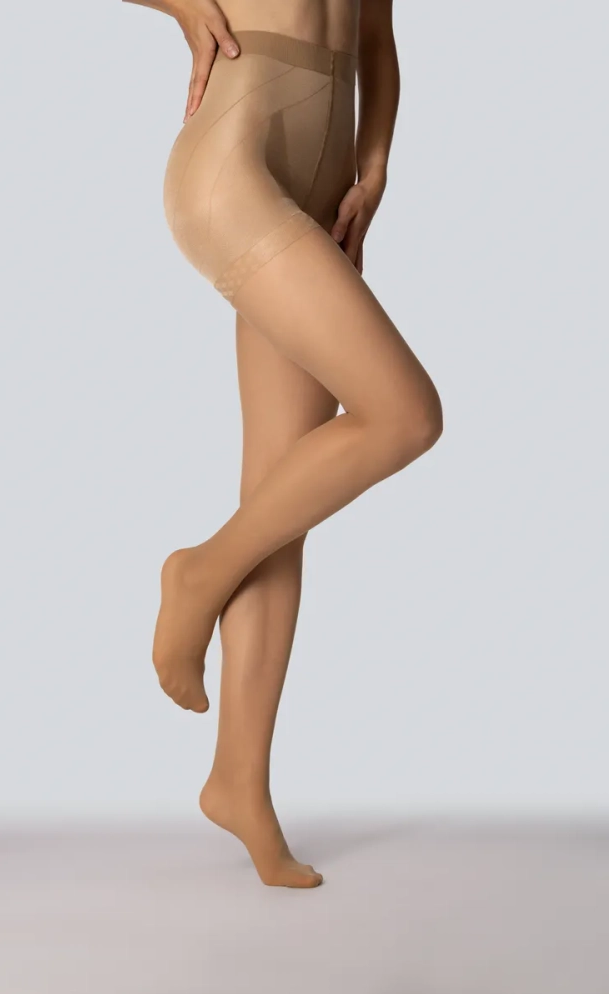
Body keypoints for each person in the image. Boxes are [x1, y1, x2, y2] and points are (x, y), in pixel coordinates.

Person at [124, 0, 443, 888]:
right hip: (238, 144)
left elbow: (374, 34)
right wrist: (180, 6)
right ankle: (197, 573)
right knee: (405, 415)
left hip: (325, 170)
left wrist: (374, 163)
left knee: (280, 499)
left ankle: (238, 780)